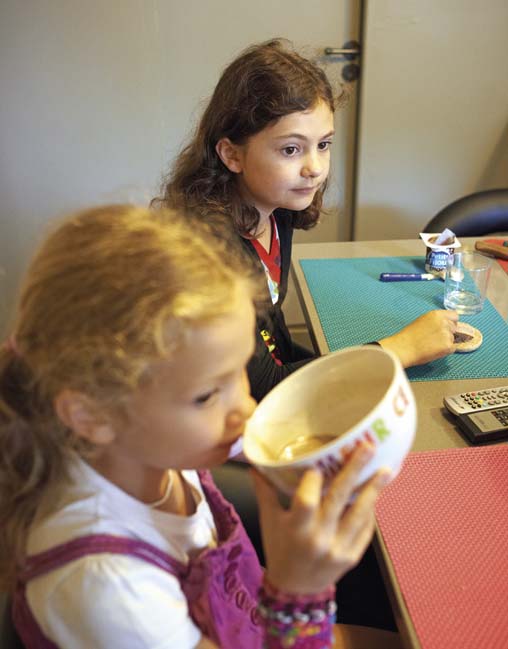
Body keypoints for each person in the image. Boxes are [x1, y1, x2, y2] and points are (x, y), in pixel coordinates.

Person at [0, 205, 400, 648]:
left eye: (240, 372)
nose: (245, 409)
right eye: (208, 395)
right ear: (92, 415)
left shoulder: (149, 450)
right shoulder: (107, 589)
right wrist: (299, 591)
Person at [153, 38, 459, 403]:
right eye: (291, 149)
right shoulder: (209, 253)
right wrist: (399, 349)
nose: (314, 168)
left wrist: (347, 363)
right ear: (232, 154)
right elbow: (262, 387)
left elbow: (274, 340)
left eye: (324, 144)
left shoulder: (276, 209)